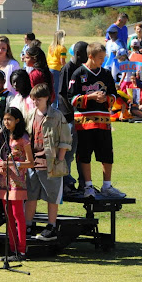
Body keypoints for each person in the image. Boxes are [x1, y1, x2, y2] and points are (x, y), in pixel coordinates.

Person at [68, 42, 126, 199]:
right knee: (84, 154)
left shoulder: (106, 74)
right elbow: (72, 99)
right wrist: (91, 97)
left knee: (107, 154)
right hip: (84, 123)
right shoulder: (78, 74)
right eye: (100, 57)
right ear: (90, 56)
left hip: (103, 122)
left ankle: (107, 186)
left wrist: (106, 99)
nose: (103, 60)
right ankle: (88, 187)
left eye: (104, 57)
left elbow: (114, 95)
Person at [24, 83, 71, 241]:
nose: (35, 102)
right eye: (33, 99)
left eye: (38, 99)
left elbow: (65, 139)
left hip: (50, 163)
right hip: (32, 163)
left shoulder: (56, 116)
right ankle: (28, 225)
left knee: (52, 196)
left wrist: (60, 159)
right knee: (31, 195)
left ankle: (51, 226)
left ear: (46, 98)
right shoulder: (30, 115)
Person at [0, 107, 34, 261]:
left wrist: (14, 164)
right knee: (9, 216)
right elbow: (0, 156)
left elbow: (30, 162)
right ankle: (12, 250)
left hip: (17, 181)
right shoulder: (4, 136)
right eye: (5, 119)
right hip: (4, 180)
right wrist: (0, 164)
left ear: (17, 120)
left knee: (18, 215)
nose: (6, 122)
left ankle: (22, 250)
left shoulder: (23, 138)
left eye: (9, 119)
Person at [58, 41, 88, 195]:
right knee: (68, 152)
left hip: (82, 118)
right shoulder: (67, 68)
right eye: (86, 54)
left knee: (82, 151)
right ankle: (66, 183)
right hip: (69, 117)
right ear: (78, 53)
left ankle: (84, 183)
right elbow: (62, 94)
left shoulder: (83, 69)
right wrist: (72, 111)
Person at [47, 30, 67, 108]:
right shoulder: (62, 48)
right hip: (56, 69)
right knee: (56, 89)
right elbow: (62, 61)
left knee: (51, 88)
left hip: (49, 68)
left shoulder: (50, 47)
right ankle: (55, 107)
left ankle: (50, 104)